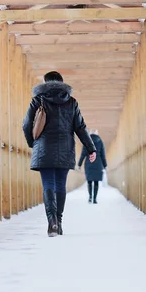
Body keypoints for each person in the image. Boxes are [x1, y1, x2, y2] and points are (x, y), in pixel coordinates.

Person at [23, 71, 96, 237]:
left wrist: (32, 143)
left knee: (48, 183)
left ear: (45, 83)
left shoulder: (37, 100)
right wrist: (91, 148)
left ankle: (52, 222)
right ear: (62, 84)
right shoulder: (71, 102)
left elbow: (27, 124)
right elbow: (80, 127)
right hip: (65, 148)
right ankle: (59, 221)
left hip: (44, 147)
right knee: (60, 184)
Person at [78, 130, 107, 204]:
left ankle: (90, 197)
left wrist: (79, 164)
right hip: (98, 164)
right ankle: (95, 199)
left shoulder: (87, 141)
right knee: (96, 181)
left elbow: (83, 154)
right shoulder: (100, 142)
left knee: (89, 181)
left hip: (89, 163)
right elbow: (103, 155)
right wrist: (105, 165)